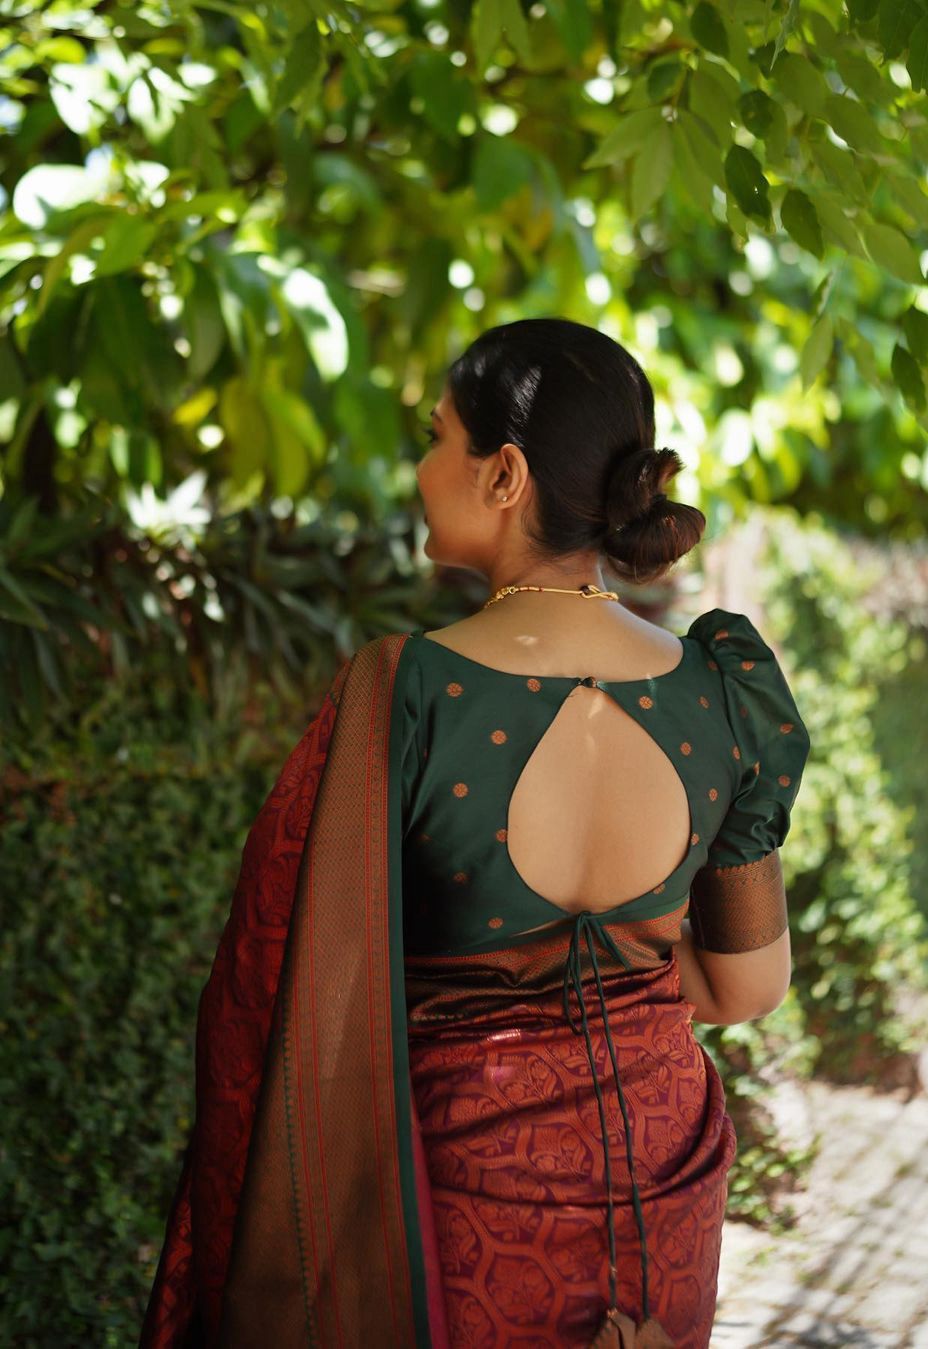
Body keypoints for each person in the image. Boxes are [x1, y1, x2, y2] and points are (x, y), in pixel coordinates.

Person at [139, 318, 811, 1349]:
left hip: (459, 1198)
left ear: (503, 473)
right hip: (662, 1191)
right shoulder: (722, 692)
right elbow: (745, 988)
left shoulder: (405, 692)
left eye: (437, 434)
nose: (419, 465)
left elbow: (279, 983)